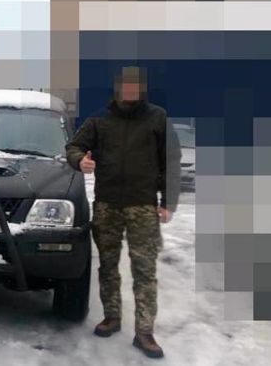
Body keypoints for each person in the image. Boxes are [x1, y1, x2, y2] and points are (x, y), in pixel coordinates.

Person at [66, 66, 181, 359]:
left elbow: (171, 160)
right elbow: (74, 146)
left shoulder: (157, 118)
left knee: (145, 270)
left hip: (143, 206)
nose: (129, 90)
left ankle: (145, 332)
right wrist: (79, 161)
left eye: (135, 85)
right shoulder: (99, 119)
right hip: (107, 206)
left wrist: (168, 201)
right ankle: (112, 316)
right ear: (117, 88)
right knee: (107, 265)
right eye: (125, 85)